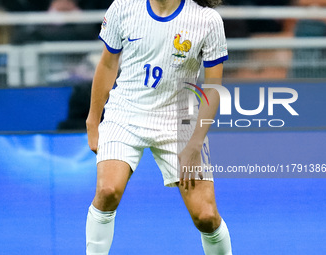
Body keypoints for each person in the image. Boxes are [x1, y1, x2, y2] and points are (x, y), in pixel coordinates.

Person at [85, 0, 232, 254]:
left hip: (179, 121)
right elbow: (108, 65)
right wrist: (93, 120)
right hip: (125, 113)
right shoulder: (122, 7)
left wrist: (195, 143)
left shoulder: (208, 21)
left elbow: (213, 88)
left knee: (206, 217)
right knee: (108, 191)